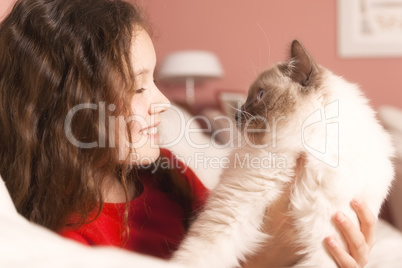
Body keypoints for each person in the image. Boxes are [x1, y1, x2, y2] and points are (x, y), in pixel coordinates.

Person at [0, 0, 375, 267]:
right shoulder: (66, 240)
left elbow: (245, 230)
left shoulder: (167, 173)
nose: (163, 102)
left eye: (156, 79)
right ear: (71, 103)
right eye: (137, 85)